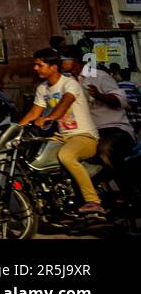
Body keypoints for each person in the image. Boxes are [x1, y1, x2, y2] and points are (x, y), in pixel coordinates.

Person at [17, 47, 102, 214]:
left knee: (66, 155)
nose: (35, 69)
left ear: (53, 67)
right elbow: (34, 112)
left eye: (39, 65)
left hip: (84, 136)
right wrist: (15, 129)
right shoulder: (42, 88)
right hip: (61, 137)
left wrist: (50, 118)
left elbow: (65, 102)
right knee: (33, 156)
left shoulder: (69, 83)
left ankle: (93, 200)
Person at [59, 46, 135, 178]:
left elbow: (120, 100)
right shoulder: (67, 82)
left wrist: (98, 95)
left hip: (113, 129)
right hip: (87, 132)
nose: (59, 63)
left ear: (75, 61)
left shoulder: (99, 76)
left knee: (104, 151)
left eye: (63, 60)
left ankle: (128, 190)